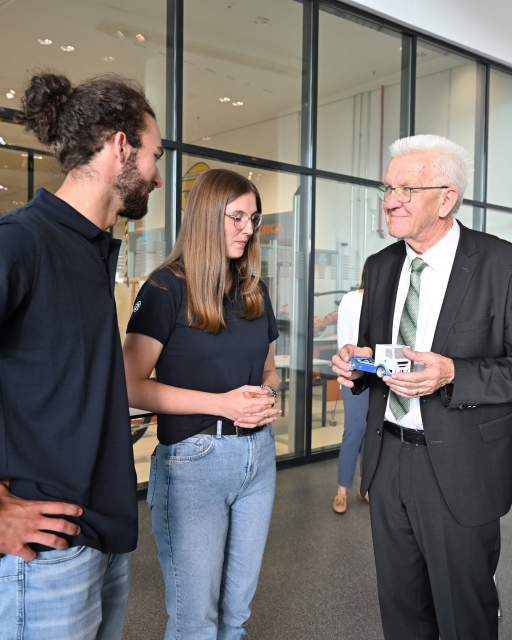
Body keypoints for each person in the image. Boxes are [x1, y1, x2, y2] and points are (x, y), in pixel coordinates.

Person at [0, 72, 163, 640]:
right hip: (43, 554)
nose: (158, 174)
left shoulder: (92, 251)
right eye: (154, 154)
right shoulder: (19, 242)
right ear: (120, 145)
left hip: (102, 537)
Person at [333, 133, 512, 640]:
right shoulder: (382, 266)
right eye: (388, 188)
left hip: (461, 470)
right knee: (402, 613)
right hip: (388, 465)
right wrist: (358, 363)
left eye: (407, 190)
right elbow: (376, 351)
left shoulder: (502, 265)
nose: (391, 200)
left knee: (464, 617)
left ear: (446, 198)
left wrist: (453, 372)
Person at [123, 168, 281, 640]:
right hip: (195, 462)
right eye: (236, 217)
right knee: (197, 622)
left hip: (259, 458)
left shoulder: (253, 290)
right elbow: (128, 384)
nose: (247, 229)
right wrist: (223, 404)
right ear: (207, 215)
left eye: (253, 219)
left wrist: (267, 396)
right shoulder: (165, 288)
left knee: (236, 618)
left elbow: (269, 371)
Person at [332, 263, 369, 514]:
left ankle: (364, 487)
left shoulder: (386, 303)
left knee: (372, 430)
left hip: (378, 375)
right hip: (353, 373)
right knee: (354, 430)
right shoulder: (351, 300)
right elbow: (346, 339)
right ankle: (342, 490)